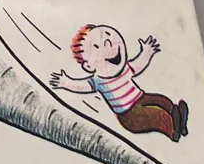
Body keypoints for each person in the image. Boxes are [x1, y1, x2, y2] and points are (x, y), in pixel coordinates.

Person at [51, 25, 188, 141]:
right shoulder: (98, 81)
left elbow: (139, 65)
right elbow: (81, 86)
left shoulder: (126, 68)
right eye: (96, 47)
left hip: (141, 97)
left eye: (108, 36)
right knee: (155, 116)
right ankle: (172, 130)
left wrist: (146, 52)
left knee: (161, 101)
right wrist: (66, 83)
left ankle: (178, 118)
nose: (108, 44)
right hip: (129, 114)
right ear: (88, 66)